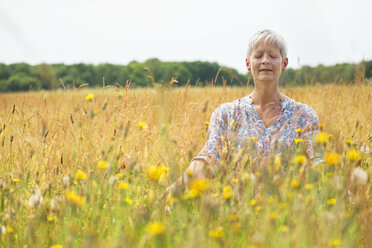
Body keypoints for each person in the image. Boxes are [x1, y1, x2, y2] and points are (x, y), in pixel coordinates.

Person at [166, 29, 319, 194]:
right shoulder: (227, 114)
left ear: (284, 63)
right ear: (248, 63)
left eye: (273, 56)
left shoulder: (304, 116)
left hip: (289, 215)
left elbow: (320, 162)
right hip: (237, 215)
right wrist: (173, 191)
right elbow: (207, 160)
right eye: (258, 56)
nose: (265, 61)